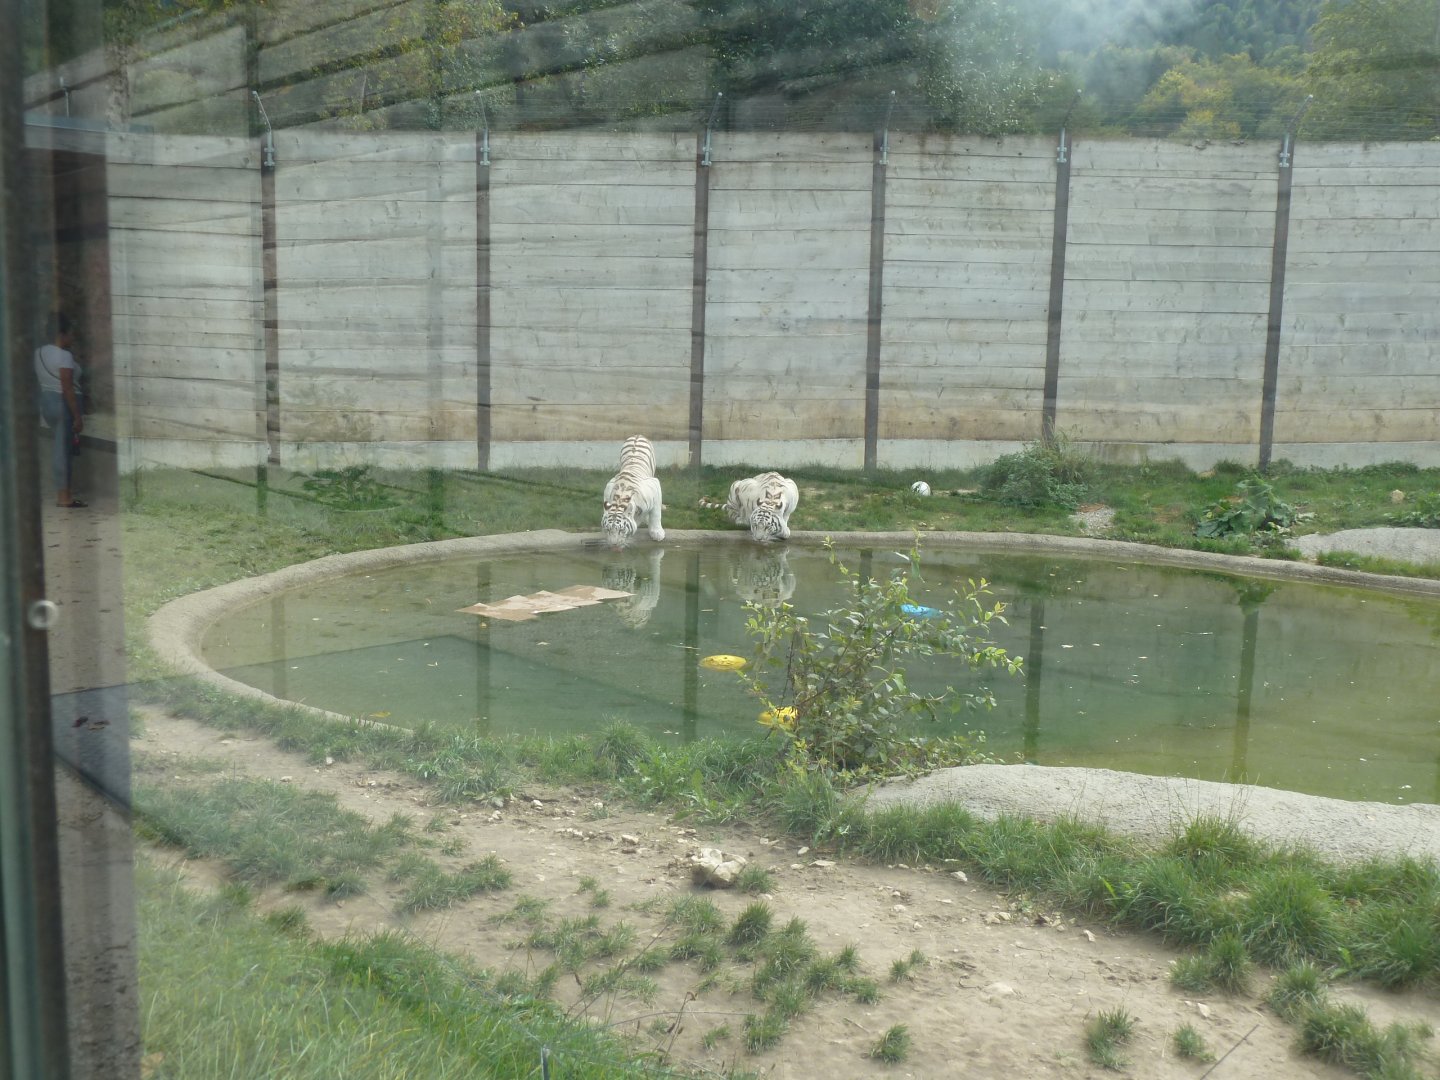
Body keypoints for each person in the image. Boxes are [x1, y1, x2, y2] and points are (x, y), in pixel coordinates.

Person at [34, 312, 85, 507]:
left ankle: (64, 493)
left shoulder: (38, 352)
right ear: (61, 334)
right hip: (64, 403)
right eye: (70, 333)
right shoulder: (64, 356)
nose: (72, 338)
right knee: (62, 451)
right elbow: (67, 387)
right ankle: (64, 496)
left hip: (46, 402)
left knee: (59, 446)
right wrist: (77, 417)